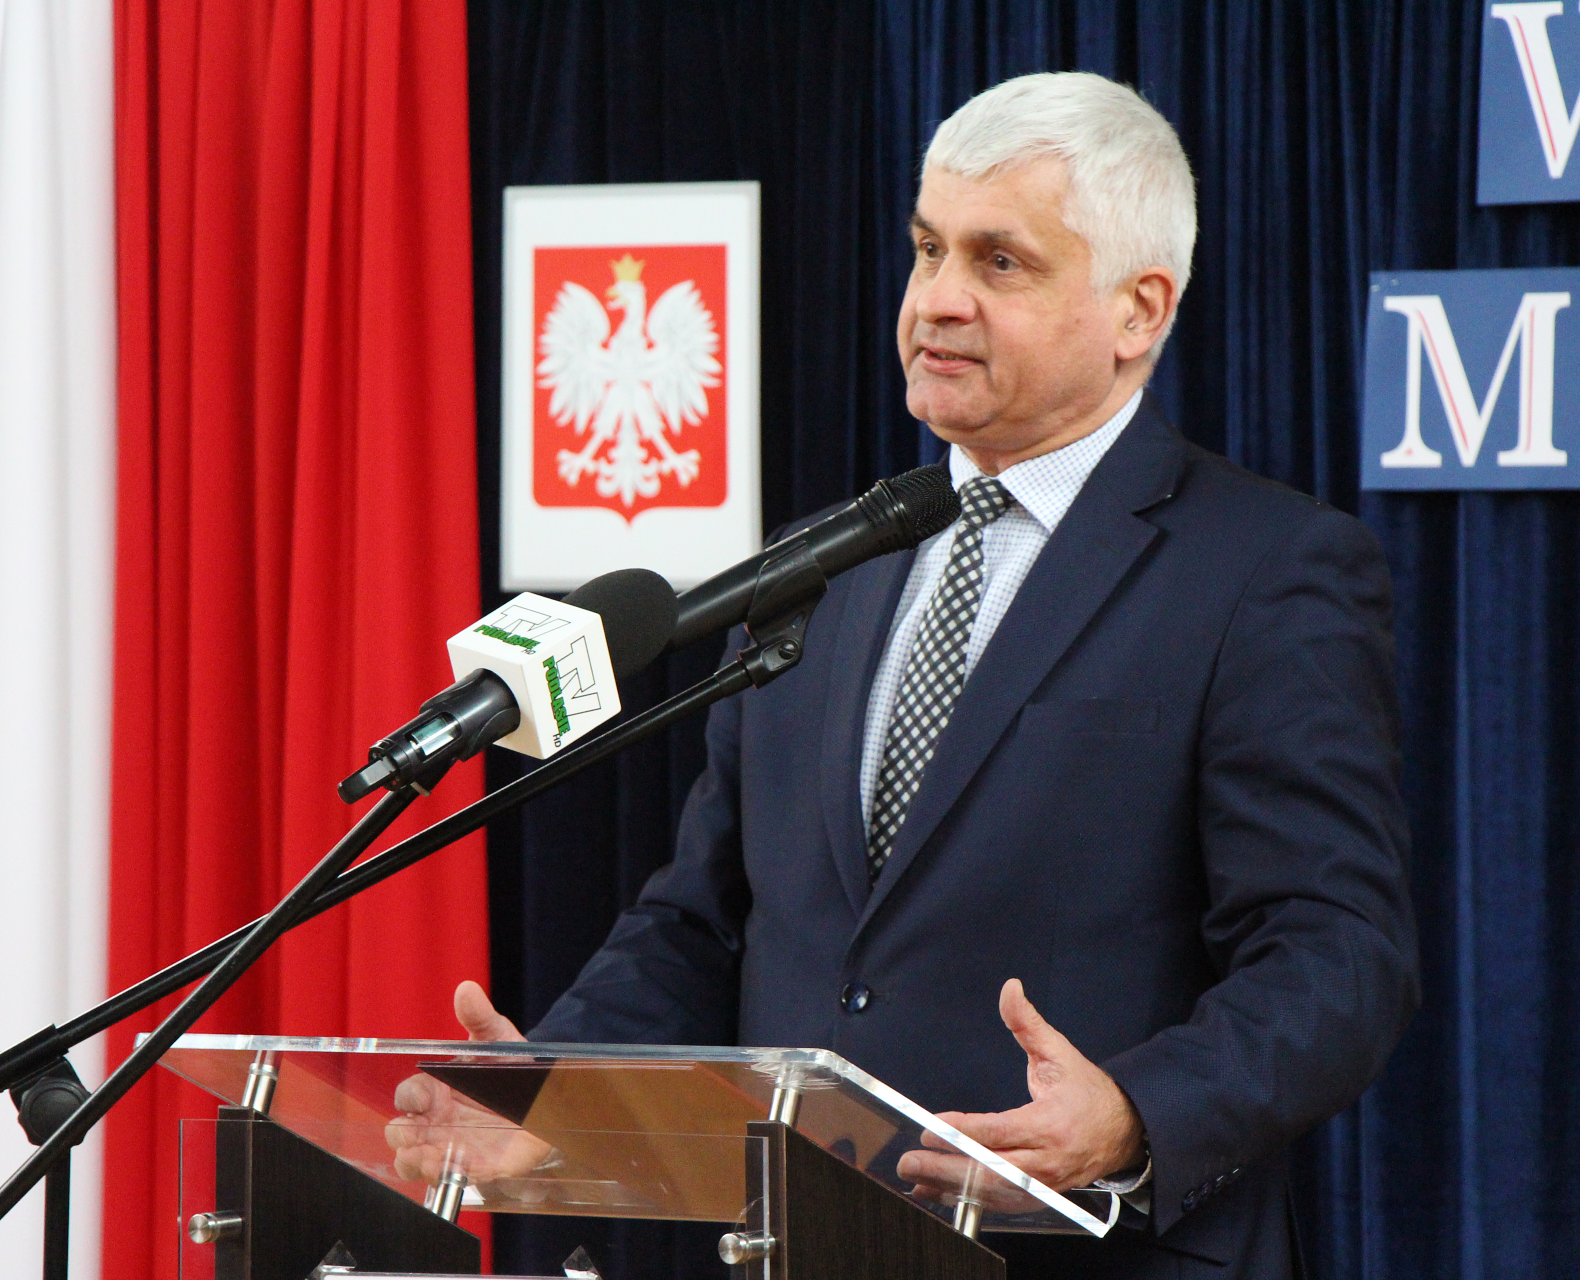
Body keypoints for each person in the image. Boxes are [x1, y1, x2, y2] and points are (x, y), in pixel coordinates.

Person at [393, 71, 1419, 1278]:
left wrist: (1134, 1113)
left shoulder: (1264, 567)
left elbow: (1336, 952)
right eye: (929, 248)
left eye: (1000, 262)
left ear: (1140, 309)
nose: (936, 299)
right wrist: (554, 1090)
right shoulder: (821, 564)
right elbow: (704, 919)